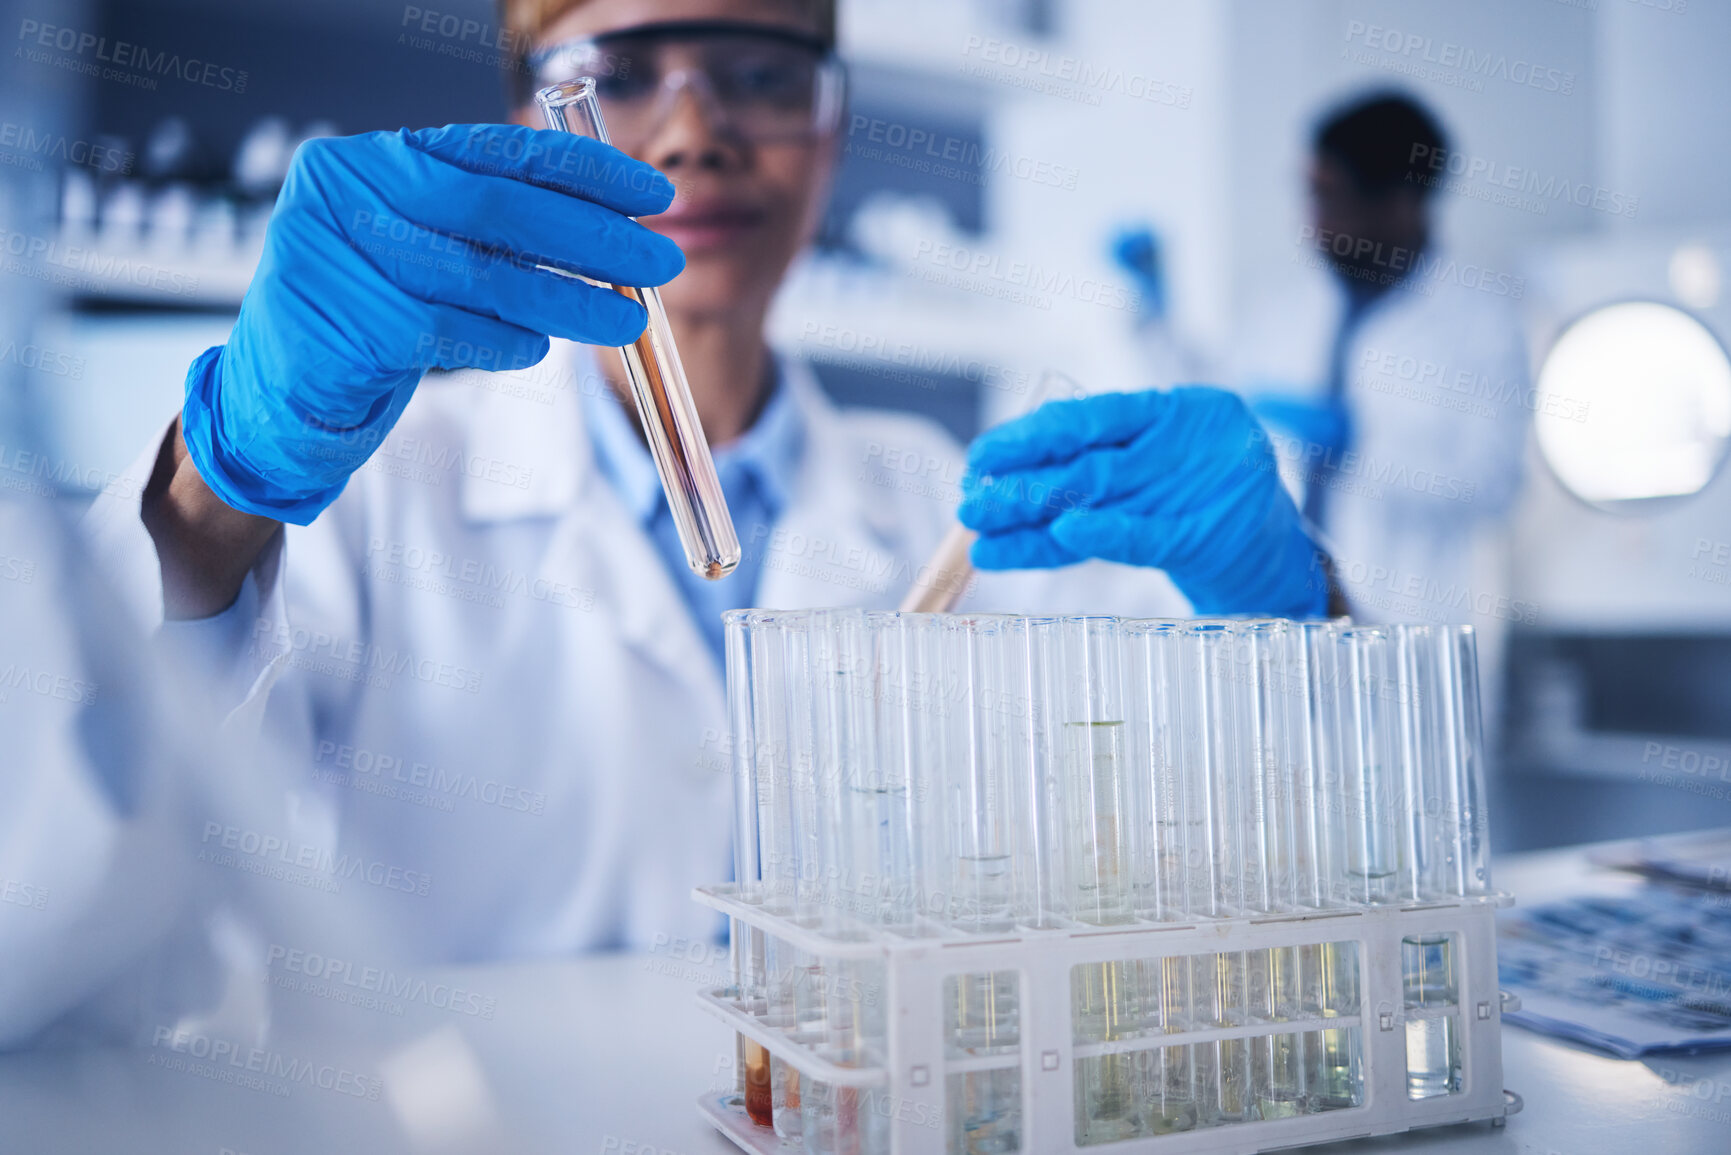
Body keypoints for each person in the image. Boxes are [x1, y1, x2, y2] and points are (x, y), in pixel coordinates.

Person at [68, 0, 1331, 995]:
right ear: (525, 116)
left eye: (763, 74)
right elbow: (57, 914)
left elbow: (1300, 882)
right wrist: (214, 488)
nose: (693, 132)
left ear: (834, 128)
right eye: (616, 74)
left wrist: (1299, 614)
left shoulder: (992, 513)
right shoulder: (370, 499)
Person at [1229, 91, 1530, 696]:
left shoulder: (1481, 324)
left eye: (1330, 197)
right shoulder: (1287, 307)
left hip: (1407, 642)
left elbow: (1494, 483)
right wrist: (1151, 322)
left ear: (1402, 202)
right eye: (1309, 194)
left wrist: (1360, 450)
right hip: (1277, 633)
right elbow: (1221, 405)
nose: (1312, 222)